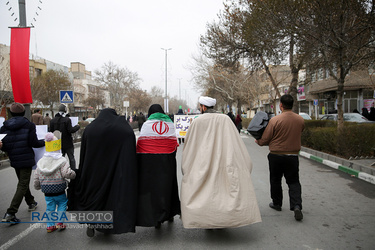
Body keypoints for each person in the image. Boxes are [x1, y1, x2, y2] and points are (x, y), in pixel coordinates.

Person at [180, 96, 261, 229]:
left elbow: (190, 145)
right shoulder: (225, 119)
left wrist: (188, 164)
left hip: (202, 163)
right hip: (225, 160)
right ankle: (222, 220)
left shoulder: (197, 121)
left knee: (206, 193)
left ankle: (208, 220)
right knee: (222, 191)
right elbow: (235, 141)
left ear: (203, 107)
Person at [68, 108, 137, 237]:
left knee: (95, 195)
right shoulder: (122, 127)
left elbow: (85, 153)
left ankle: (92, 223)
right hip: (116, 169)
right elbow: (129, 143)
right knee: (112, 196)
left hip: (94, 171)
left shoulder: (91, 128)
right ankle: (111, 225)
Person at [255, 94, 305, 221]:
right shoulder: (300, 120)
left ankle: (277, 203)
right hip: (293, 156)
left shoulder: (275, 120)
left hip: (276, 155)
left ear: (281, 105)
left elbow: (266, 137)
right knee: (293, 181)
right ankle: (296, 205)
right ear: (292, 105)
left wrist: (260, 142)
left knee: (275, 179)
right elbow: (300, 131)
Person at [136, 104, 180, 229]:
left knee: (153, 190)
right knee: (167, 188)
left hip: (150, 163)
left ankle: (156, 218)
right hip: (167, 162)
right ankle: (169, 213)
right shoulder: (170, 124)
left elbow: (141, 145)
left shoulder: (146, 124)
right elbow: (173, 143)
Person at [1, 103, 45, 223]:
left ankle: (31, 202)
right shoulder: (29, 125)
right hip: (26, 158)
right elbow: (34, 143)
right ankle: (11, 212)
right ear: (23, 113)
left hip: (14, 158)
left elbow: (4, 147)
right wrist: (45, 142)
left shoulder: (4, 127)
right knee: (23, 184)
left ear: (11, 113)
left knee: (22, 182)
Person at [34, 131, 76, 233]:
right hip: (59, 189)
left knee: (50, 207)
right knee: (62, 204)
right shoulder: (61, 160)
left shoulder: (40, 162)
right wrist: (73, 174)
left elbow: (36, 177)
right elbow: (66, 173)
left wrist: (37, 186)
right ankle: (59, 223)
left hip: (47, 190)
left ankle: (50, 226)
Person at [50, 104, 80, 170]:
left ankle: (60, 173)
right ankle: (73, 172)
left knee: (60, 160)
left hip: (57, 144)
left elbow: (50, 132)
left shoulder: (52, 121)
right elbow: (71, 130)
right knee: (71, 159)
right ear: (65, 110)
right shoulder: (67, 120)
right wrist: (77, 126)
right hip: (68, 143)